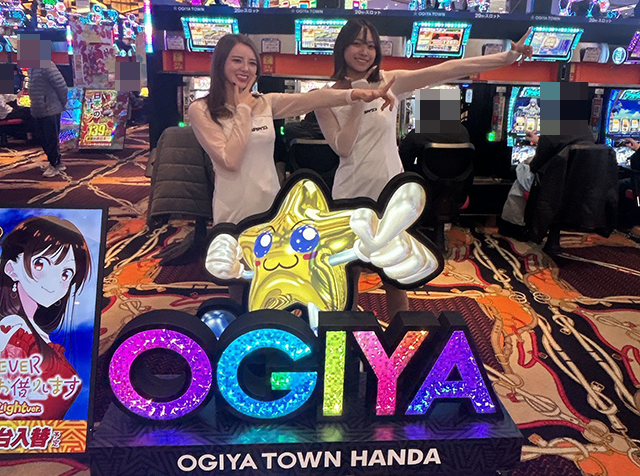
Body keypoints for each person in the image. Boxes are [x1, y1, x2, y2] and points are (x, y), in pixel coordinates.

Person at [314, 19, 533, 318]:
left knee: (395, 275)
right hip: (349, 194)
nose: (364, 51)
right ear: (342, 47)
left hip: (390, 193)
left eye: (371, 45)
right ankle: (343, 338)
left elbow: (446, 69)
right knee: (347, 277)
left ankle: (400, 338)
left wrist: (507, 56)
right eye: (357, 43)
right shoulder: (325, 97)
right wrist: (357, 98)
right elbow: (344, 148)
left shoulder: (389, 82)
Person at [189, 34, 395, 303]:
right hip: (233, 207)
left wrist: (356, 94)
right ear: (220, 64)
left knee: (271, 281)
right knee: (239, 282)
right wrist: (243, 110)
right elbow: (230, 160)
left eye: (252, 63)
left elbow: (315, 99)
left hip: (270, 207)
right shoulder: (201, 109)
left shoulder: (265, 102)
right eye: (237, 60)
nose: (245, 68)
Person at [0, 216, 90, 419]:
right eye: (40, 264)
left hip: (42, 435)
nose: (54, 281)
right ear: (11, 269)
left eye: (66, 273)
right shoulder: (12, 333)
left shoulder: (34, 334)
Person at [29, 62, 68, 178]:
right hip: (38, 108)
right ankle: (57, 161)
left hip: (51, 108)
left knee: (51, 138)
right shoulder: (32, 68)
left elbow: (61, 86)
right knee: (42, 137)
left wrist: (63, 103)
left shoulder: (47, 65)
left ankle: (54, 163)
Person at [399, 123, 471, 173]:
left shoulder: (418, 132)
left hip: (425, 185)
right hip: (458, 185)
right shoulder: (464, 132)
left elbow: (404, 160)